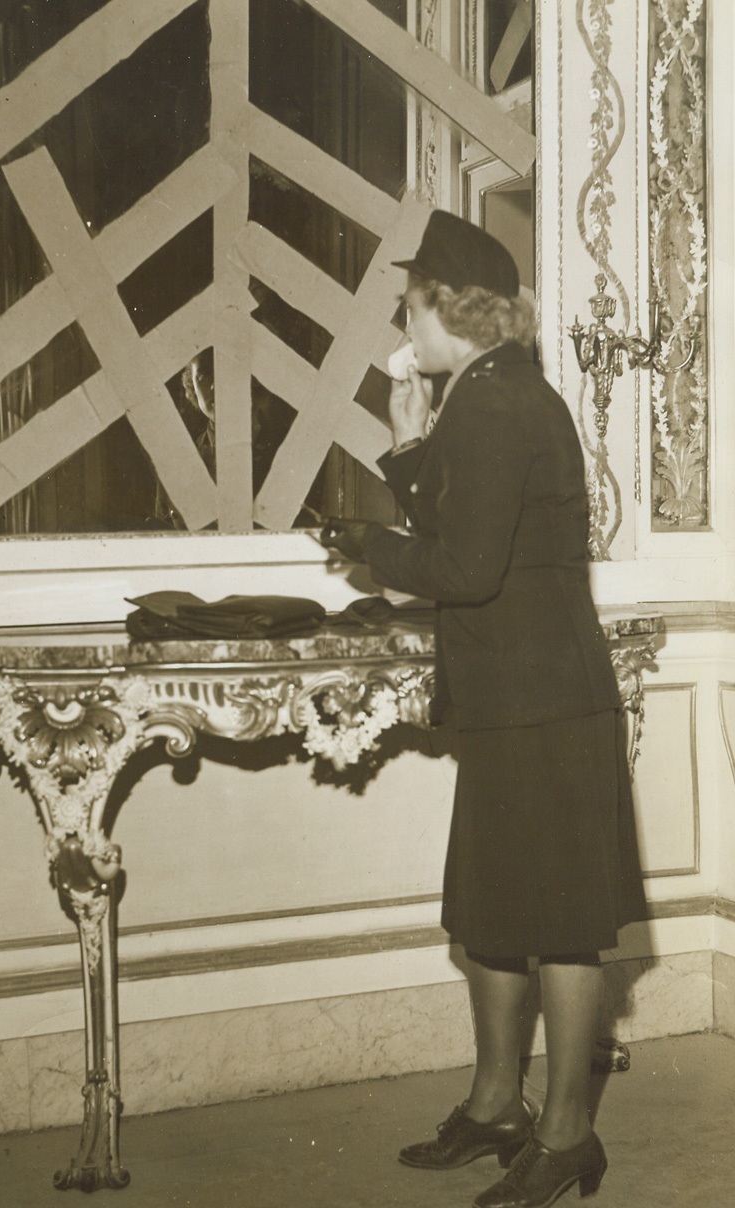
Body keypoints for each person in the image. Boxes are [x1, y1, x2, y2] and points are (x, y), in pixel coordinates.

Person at [321, 210, 647, 1208]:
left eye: (410, 303)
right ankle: (499, 1106)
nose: (403, 322)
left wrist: (362, 545)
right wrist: (404, 426)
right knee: (497, 912)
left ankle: (566, 1133)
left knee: (558, 921)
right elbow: (460, 523)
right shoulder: (485, 393)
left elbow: (459, 567)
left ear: (445, 306)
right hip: (523, 696)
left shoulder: (500, 402)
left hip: (542, 702)